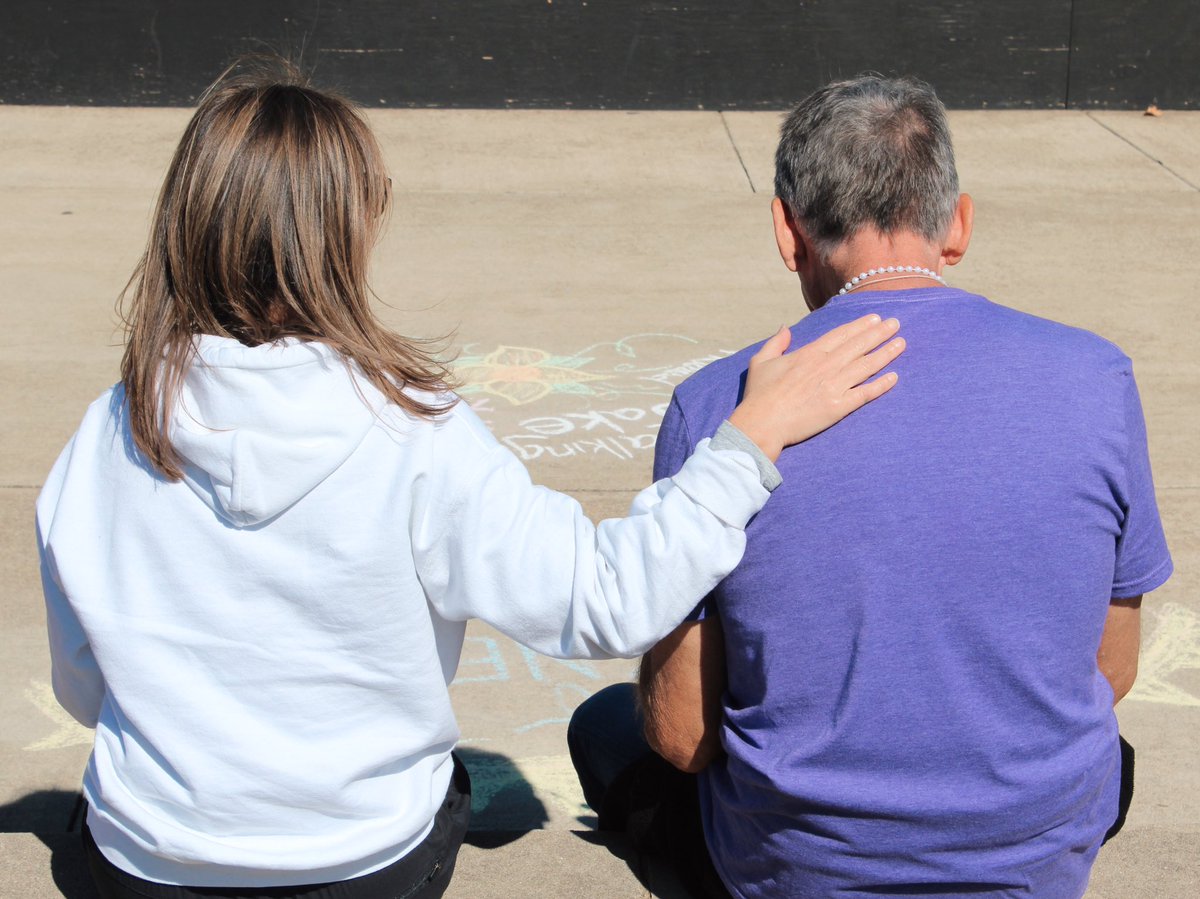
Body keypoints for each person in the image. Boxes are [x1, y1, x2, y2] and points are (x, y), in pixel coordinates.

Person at [35, 61, 907, 899]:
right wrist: (748, 443)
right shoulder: (413, 431)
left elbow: (84, 687)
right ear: (342, 235)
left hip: (151, 861)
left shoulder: (113, 428)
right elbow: (604, 599)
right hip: (364, 861)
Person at [568, 75, 1173, 898]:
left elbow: (682, 735)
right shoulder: (1097, 377)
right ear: (957, 224)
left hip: (799, 868)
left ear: (788, 231)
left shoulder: (719, 403)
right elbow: (1109, 667)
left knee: (606, 726)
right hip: (1031, 857)